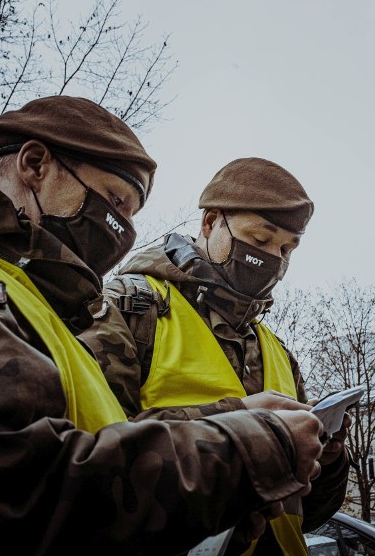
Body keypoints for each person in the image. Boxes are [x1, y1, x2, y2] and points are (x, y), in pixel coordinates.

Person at [0, 97, 326, 555]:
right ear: (35, 164)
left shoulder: (30, 308)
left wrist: (274, 443)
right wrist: (246, 450)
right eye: (114, 201)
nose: (122, 230)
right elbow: (0, 500)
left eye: (131, 213)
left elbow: (90, 443)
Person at [82, 158, 349, 555]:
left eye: (287, 249)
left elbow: (305, 513)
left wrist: (326, 454)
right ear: (210, 224)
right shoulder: (129, 307)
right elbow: (91, 454)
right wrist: (238, 420)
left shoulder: (275, 349)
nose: (274, 259)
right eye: (260, 241)